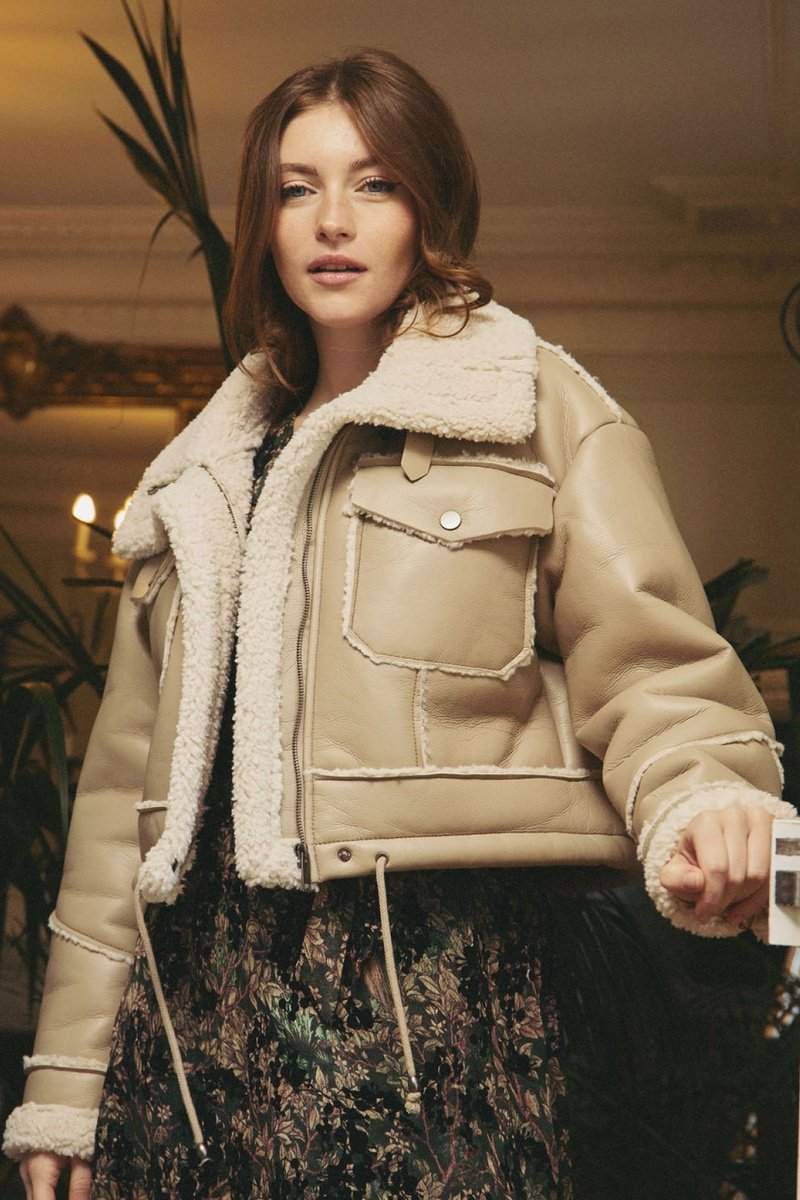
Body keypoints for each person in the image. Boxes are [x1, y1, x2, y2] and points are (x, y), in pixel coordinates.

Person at [4, 47, 793, 1200]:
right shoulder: (198, 481)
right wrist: (69, 1089)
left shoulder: (534, 408)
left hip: (433, 1040)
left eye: (372, 183)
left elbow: (656, 671)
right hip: (190, 1063)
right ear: (265, 222)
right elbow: (120, 814)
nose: (331, 220)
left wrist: (709, 801)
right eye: (296, 188)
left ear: (430, 205)